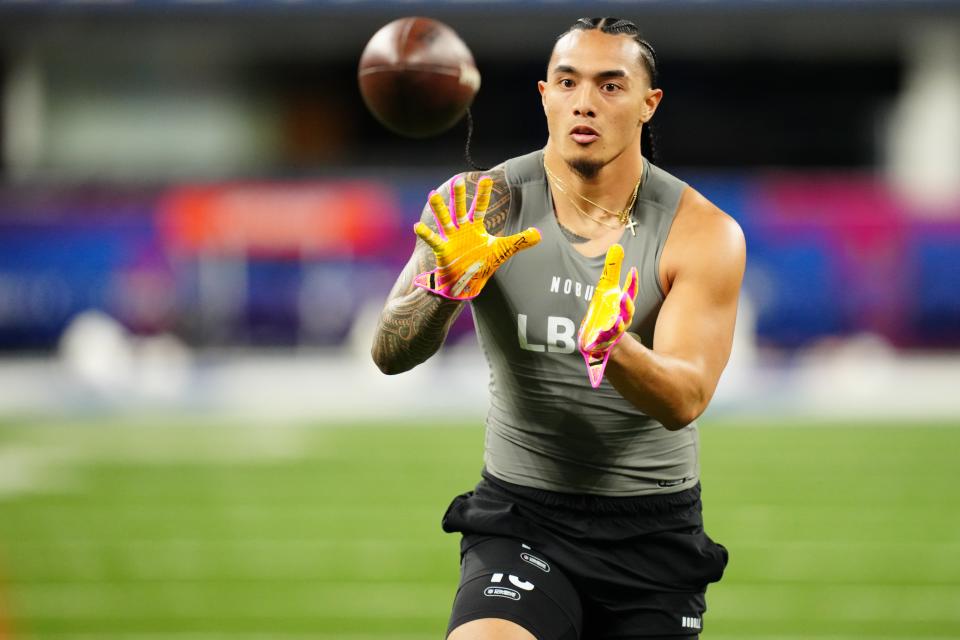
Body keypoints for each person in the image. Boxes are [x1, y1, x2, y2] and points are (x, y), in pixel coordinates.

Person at [371, 16, 746, 640]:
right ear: (544, 96)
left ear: (648, 104)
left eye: (610, 86)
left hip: (651, 530)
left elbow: (685, 399)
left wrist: (614, 348)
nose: (584, 103)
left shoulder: (701, 231)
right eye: (567, 83)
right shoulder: (483, 205)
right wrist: (443, 290)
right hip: (522, 514)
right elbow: (388, 352)